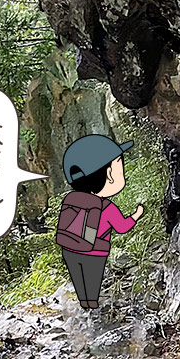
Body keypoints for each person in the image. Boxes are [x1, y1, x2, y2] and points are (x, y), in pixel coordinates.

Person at [54, 133, 145, 311]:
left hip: (69, 248)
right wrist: (136, 215)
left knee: (80, 281)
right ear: (109, 174)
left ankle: (83, 303)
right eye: (120, 166)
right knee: (92, 282)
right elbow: (122, 227)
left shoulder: (71, 199)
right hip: (94, 252)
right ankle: (91, 306)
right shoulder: (107, 207)